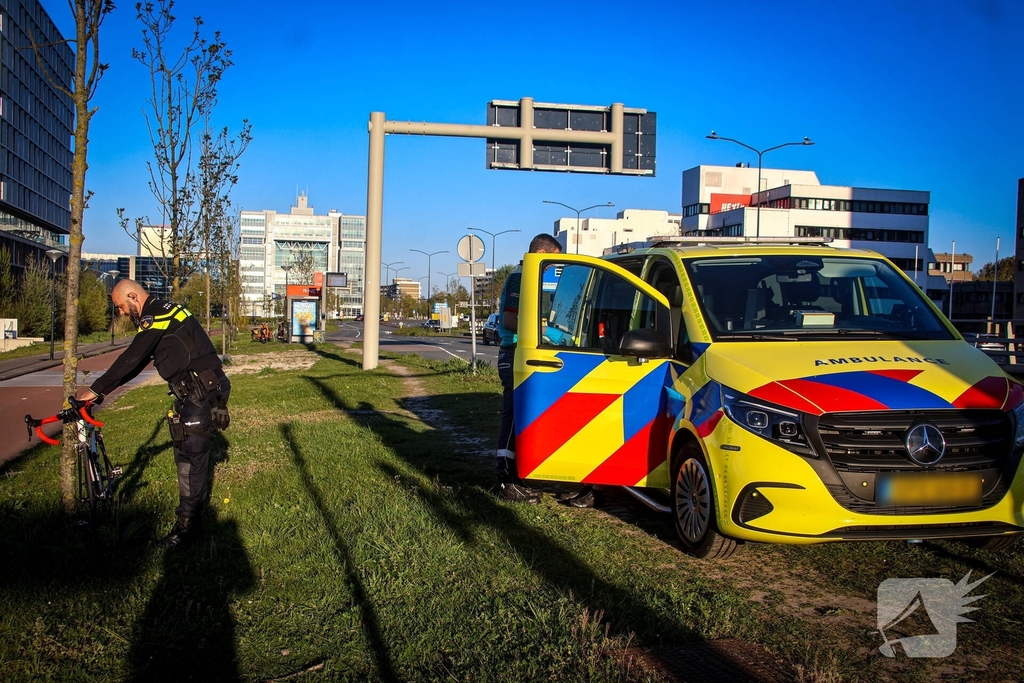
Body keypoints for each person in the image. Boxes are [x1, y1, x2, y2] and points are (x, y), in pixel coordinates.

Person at [77, 279, 230, 547]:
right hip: (194, 390)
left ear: (133, 297)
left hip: (201, 390)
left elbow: (132, 357)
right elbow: (137, 364)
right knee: (184, 453)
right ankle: (190, 519)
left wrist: (95, 390)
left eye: (121, 307)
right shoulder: (164, 312)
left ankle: (188, 529)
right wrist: (102, 392)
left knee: (191, 455)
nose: (121, 313)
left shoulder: (157, 315)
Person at [495, 233, 562, 503]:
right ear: (541, 253)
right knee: (513, 417)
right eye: (552, 259)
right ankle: (507, 481)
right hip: (513, 353)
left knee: (523, 418)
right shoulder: (519, 278)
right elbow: (510, 320)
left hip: (520, 353)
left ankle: (518, 476)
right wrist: (547, 332)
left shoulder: (532, 279)